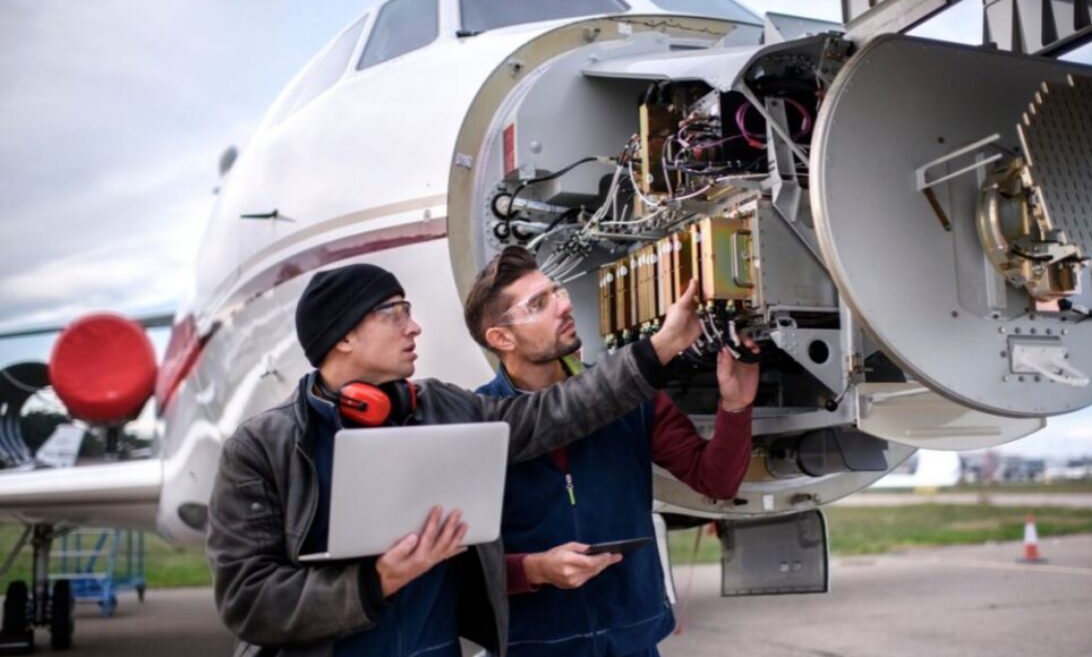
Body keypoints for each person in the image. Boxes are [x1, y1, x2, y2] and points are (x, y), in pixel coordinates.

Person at [206, 262, 703, 657]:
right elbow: (248, 600)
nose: (415, 326)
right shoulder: (261, 448)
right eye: (395, 312)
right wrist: (376, 581)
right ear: (343, 337)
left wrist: (658, 350)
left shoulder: (441, 407)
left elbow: (554, 413)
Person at [463, 246, 759, 657]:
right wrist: (534, 569)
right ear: (501, 337)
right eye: (539, 303)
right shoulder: (478, 422)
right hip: (535, 644)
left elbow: (715, 481)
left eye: (558, 291)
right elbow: (463, 564)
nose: (564, 306)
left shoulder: (630, 396)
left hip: (632, 638)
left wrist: (736, 405)